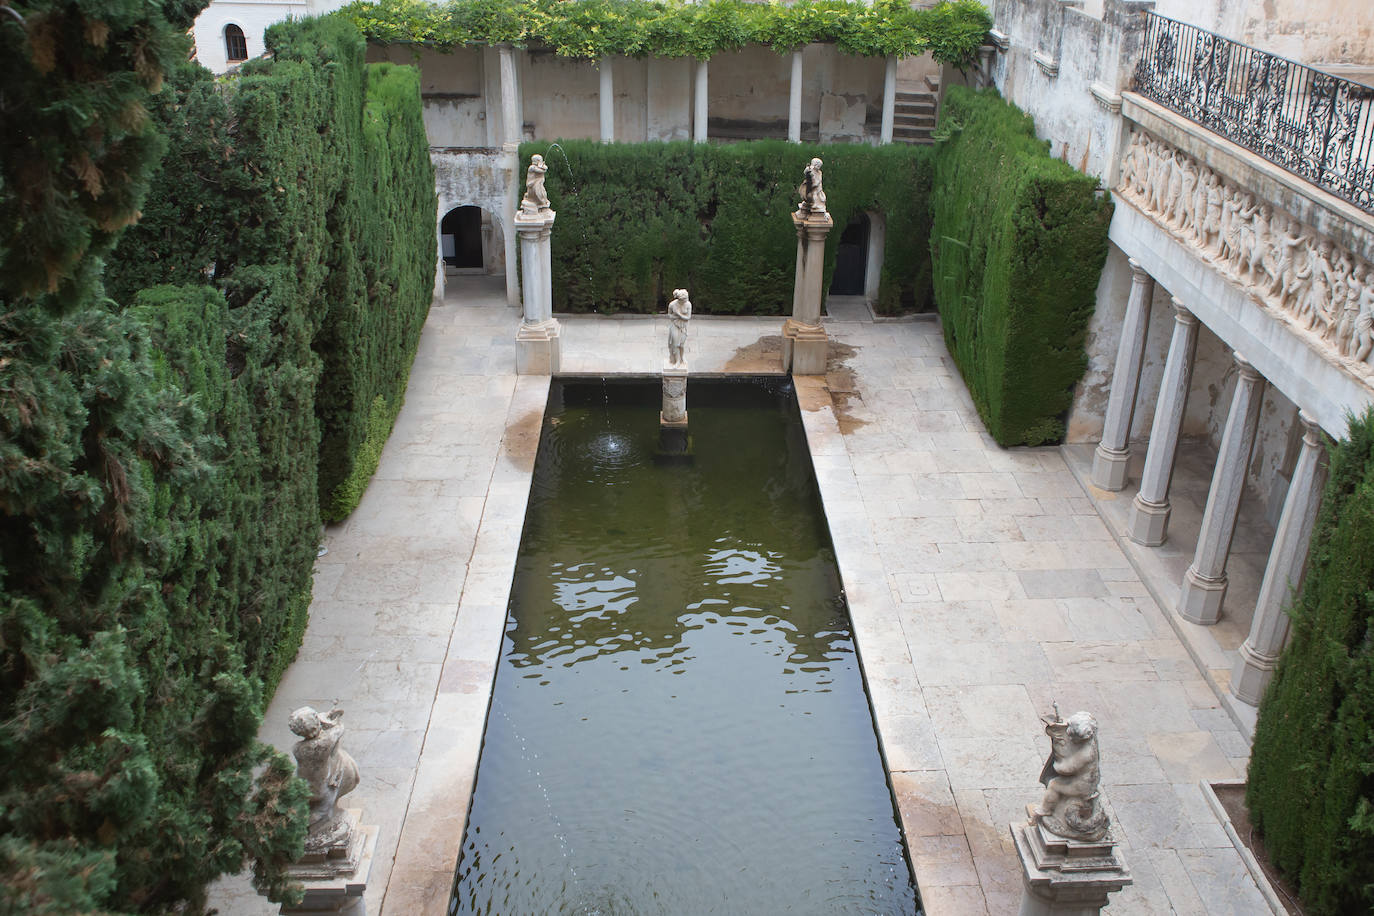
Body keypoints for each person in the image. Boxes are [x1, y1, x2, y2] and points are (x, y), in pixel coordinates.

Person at [290, 705, 360, 845]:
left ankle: (315, 819)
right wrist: (330, 717)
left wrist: (322, 717)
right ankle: (321, 823)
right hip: (323, 790)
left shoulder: (297, 749)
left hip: (304, 788)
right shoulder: (324, 743)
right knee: (345, 768)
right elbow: (339, 728)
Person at [667, 288, 691, 366]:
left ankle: (682, 357)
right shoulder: (672, 304)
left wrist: (678, 314)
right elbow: (669, 315)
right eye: (684, 300)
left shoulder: (688, 304)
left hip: (683, 326)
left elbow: (688, 317)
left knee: (681, 345)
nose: (686, 300)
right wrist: (678, 317)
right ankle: (677, 361)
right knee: (675, 344)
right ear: (680, 300)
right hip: (674, 324)